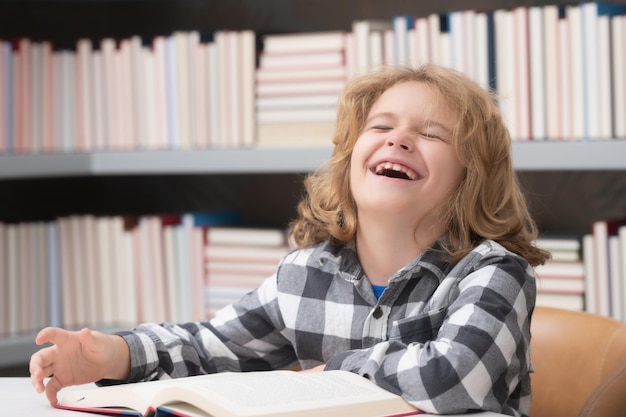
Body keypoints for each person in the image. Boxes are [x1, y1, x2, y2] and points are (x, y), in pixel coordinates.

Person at [29, 64, 550, 417]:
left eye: (432, 134)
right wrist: (113, 354)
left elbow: (453, 378)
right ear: (348, 160)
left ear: (471, 176)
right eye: (381, 126)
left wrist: (333, 372)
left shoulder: (494, 273)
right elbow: (212, 347)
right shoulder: (305, 272)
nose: (399, 138)